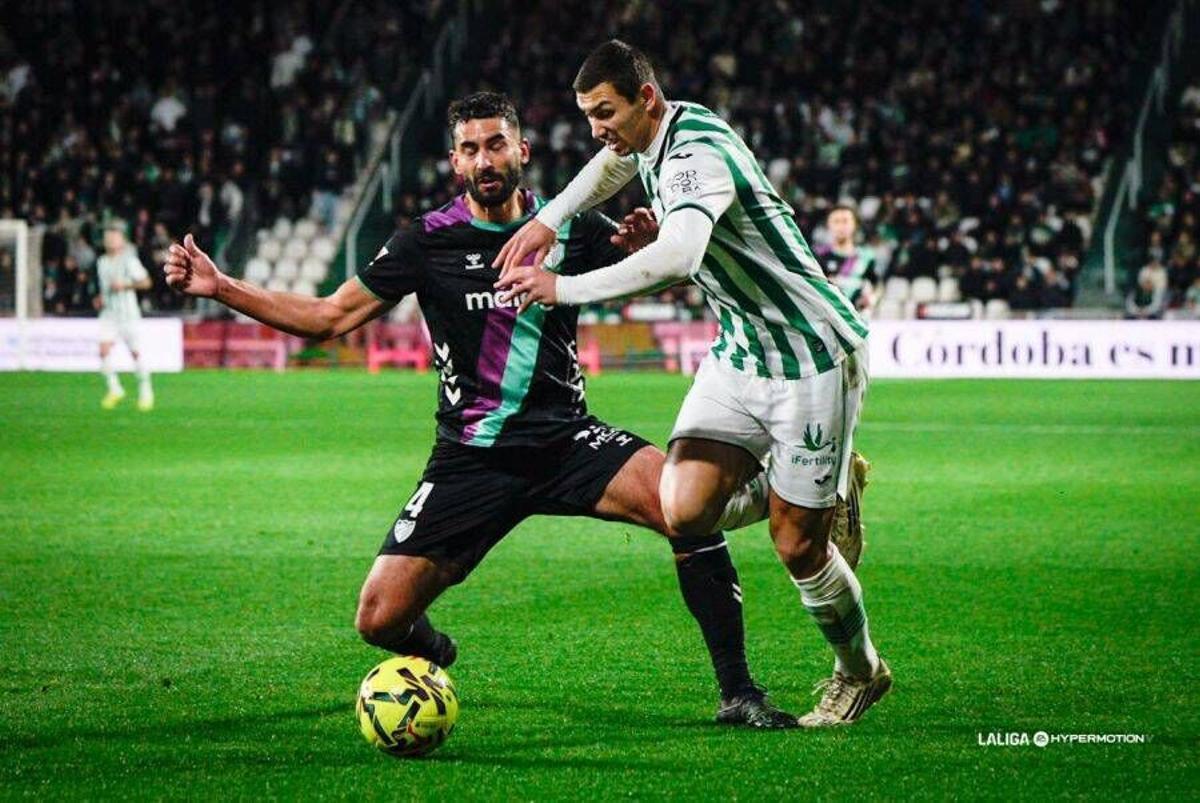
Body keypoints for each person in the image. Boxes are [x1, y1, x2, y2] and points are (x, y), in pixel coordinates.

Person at [164, 92, 795, 728]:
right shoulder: (427, 241)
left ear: (521, 151)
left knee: (686, 511)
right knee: (380, 619)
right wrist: (222, 288)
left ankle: (739, 692)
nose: (484, 159)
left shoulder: (568, 225)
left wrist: (645, 244)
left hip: (568, 442)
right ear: (453, 162)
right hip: (470, 458)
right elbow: (330, 317)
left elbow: (669, 271)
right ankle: (435, 654)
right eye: (470, 149)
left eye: (496, 144)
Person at [496, 41, 890, 727]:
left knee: (799, 547)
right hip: (741, 350)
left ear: (645, 97)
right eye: (588, 114)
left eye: (605, 111)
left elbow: (678, 256)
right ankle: (813, 487)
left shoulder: (693, 152)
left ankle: (860, 671)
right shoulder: (653, 140)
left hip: (811, 353)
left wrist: (559, 286)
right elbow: (613, 164)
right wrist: (547, 219)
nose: (596, 127)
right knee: (683, 506)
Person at [97, 220, 154, 410]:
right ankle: (115, 389)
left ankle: (146, 391)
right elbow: (105, 288)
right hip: (109, 314)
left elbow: (146, 282)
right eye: (108, 237)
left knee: (135, 353)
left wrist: (126, 285)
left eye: (114, 237)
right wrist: (100, 298)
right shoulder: (102, 262)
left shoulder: (129, 260)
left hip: (128, 314)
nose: (110, 240)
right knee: (103, 350)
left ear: (122, 241)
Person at [815, 205, 878, 315]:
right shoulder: (818, 254)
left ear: (855, 225)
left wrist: (872, 298)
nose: (841, 226)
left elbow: (876, 284)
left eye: (845, 221)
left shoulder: (866, 257)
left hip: (856, 320)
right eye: (836, 221)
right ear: (828, 225)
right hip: (827, 318)